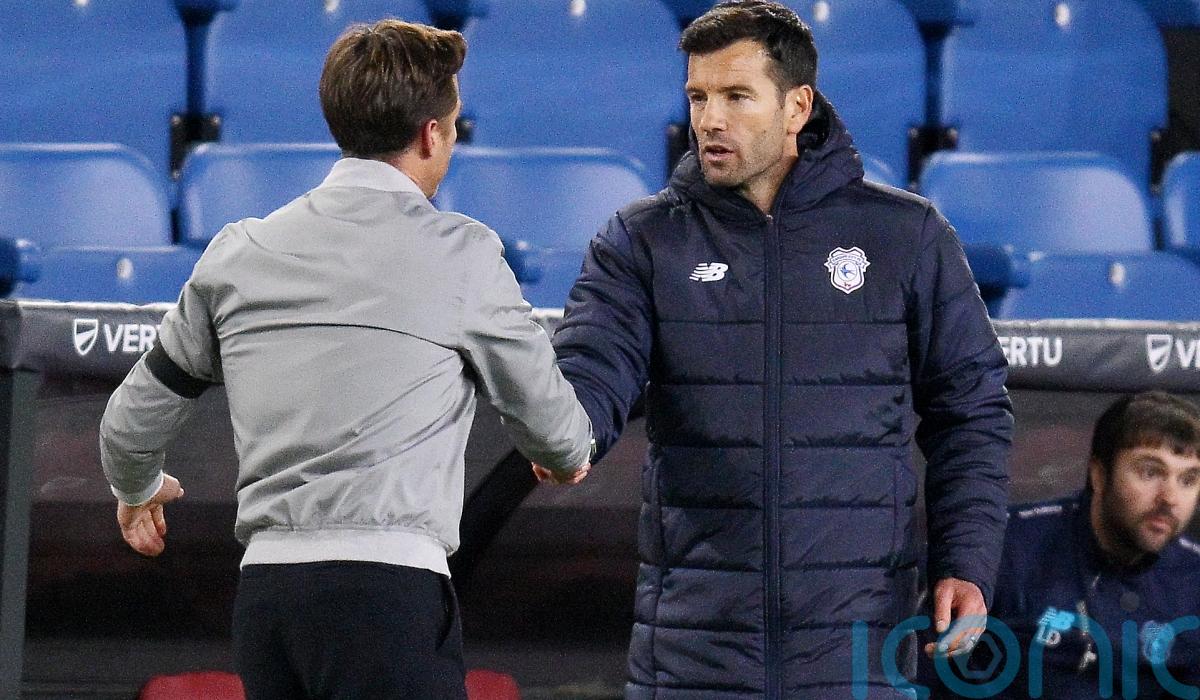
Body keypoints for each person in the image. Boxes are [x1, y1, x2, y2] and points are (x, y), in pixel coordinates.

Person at [99, 19, 593, 700]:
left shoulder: (239, 252)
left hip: (268, 605)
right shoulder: (464, 255)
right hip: (390, 599)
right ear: (431, 135)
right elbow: (558, 431)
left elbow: (127, 425)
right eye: (454, 127)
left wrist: (137, 490)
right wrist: (563, 456)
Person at [535, 1, 1013, 697]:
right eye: (698, 97)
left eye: (736, 96)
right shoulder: (642, 240)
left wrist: (966, 562)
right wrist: (564, 432)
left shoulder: (904, 236)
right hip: (694, 658)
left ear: (797, 107)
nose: (709, 119)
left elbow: (971, 409)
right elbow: (593, 364)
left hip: (857, 655)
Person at [939, 391, 1200, 697]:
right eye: (1150, 472)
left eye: (1188, 479)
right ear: (1099, 475)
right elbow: (928, 674)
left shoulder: (1193, 579)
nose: (1170, 498)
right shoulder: (1005, 549)